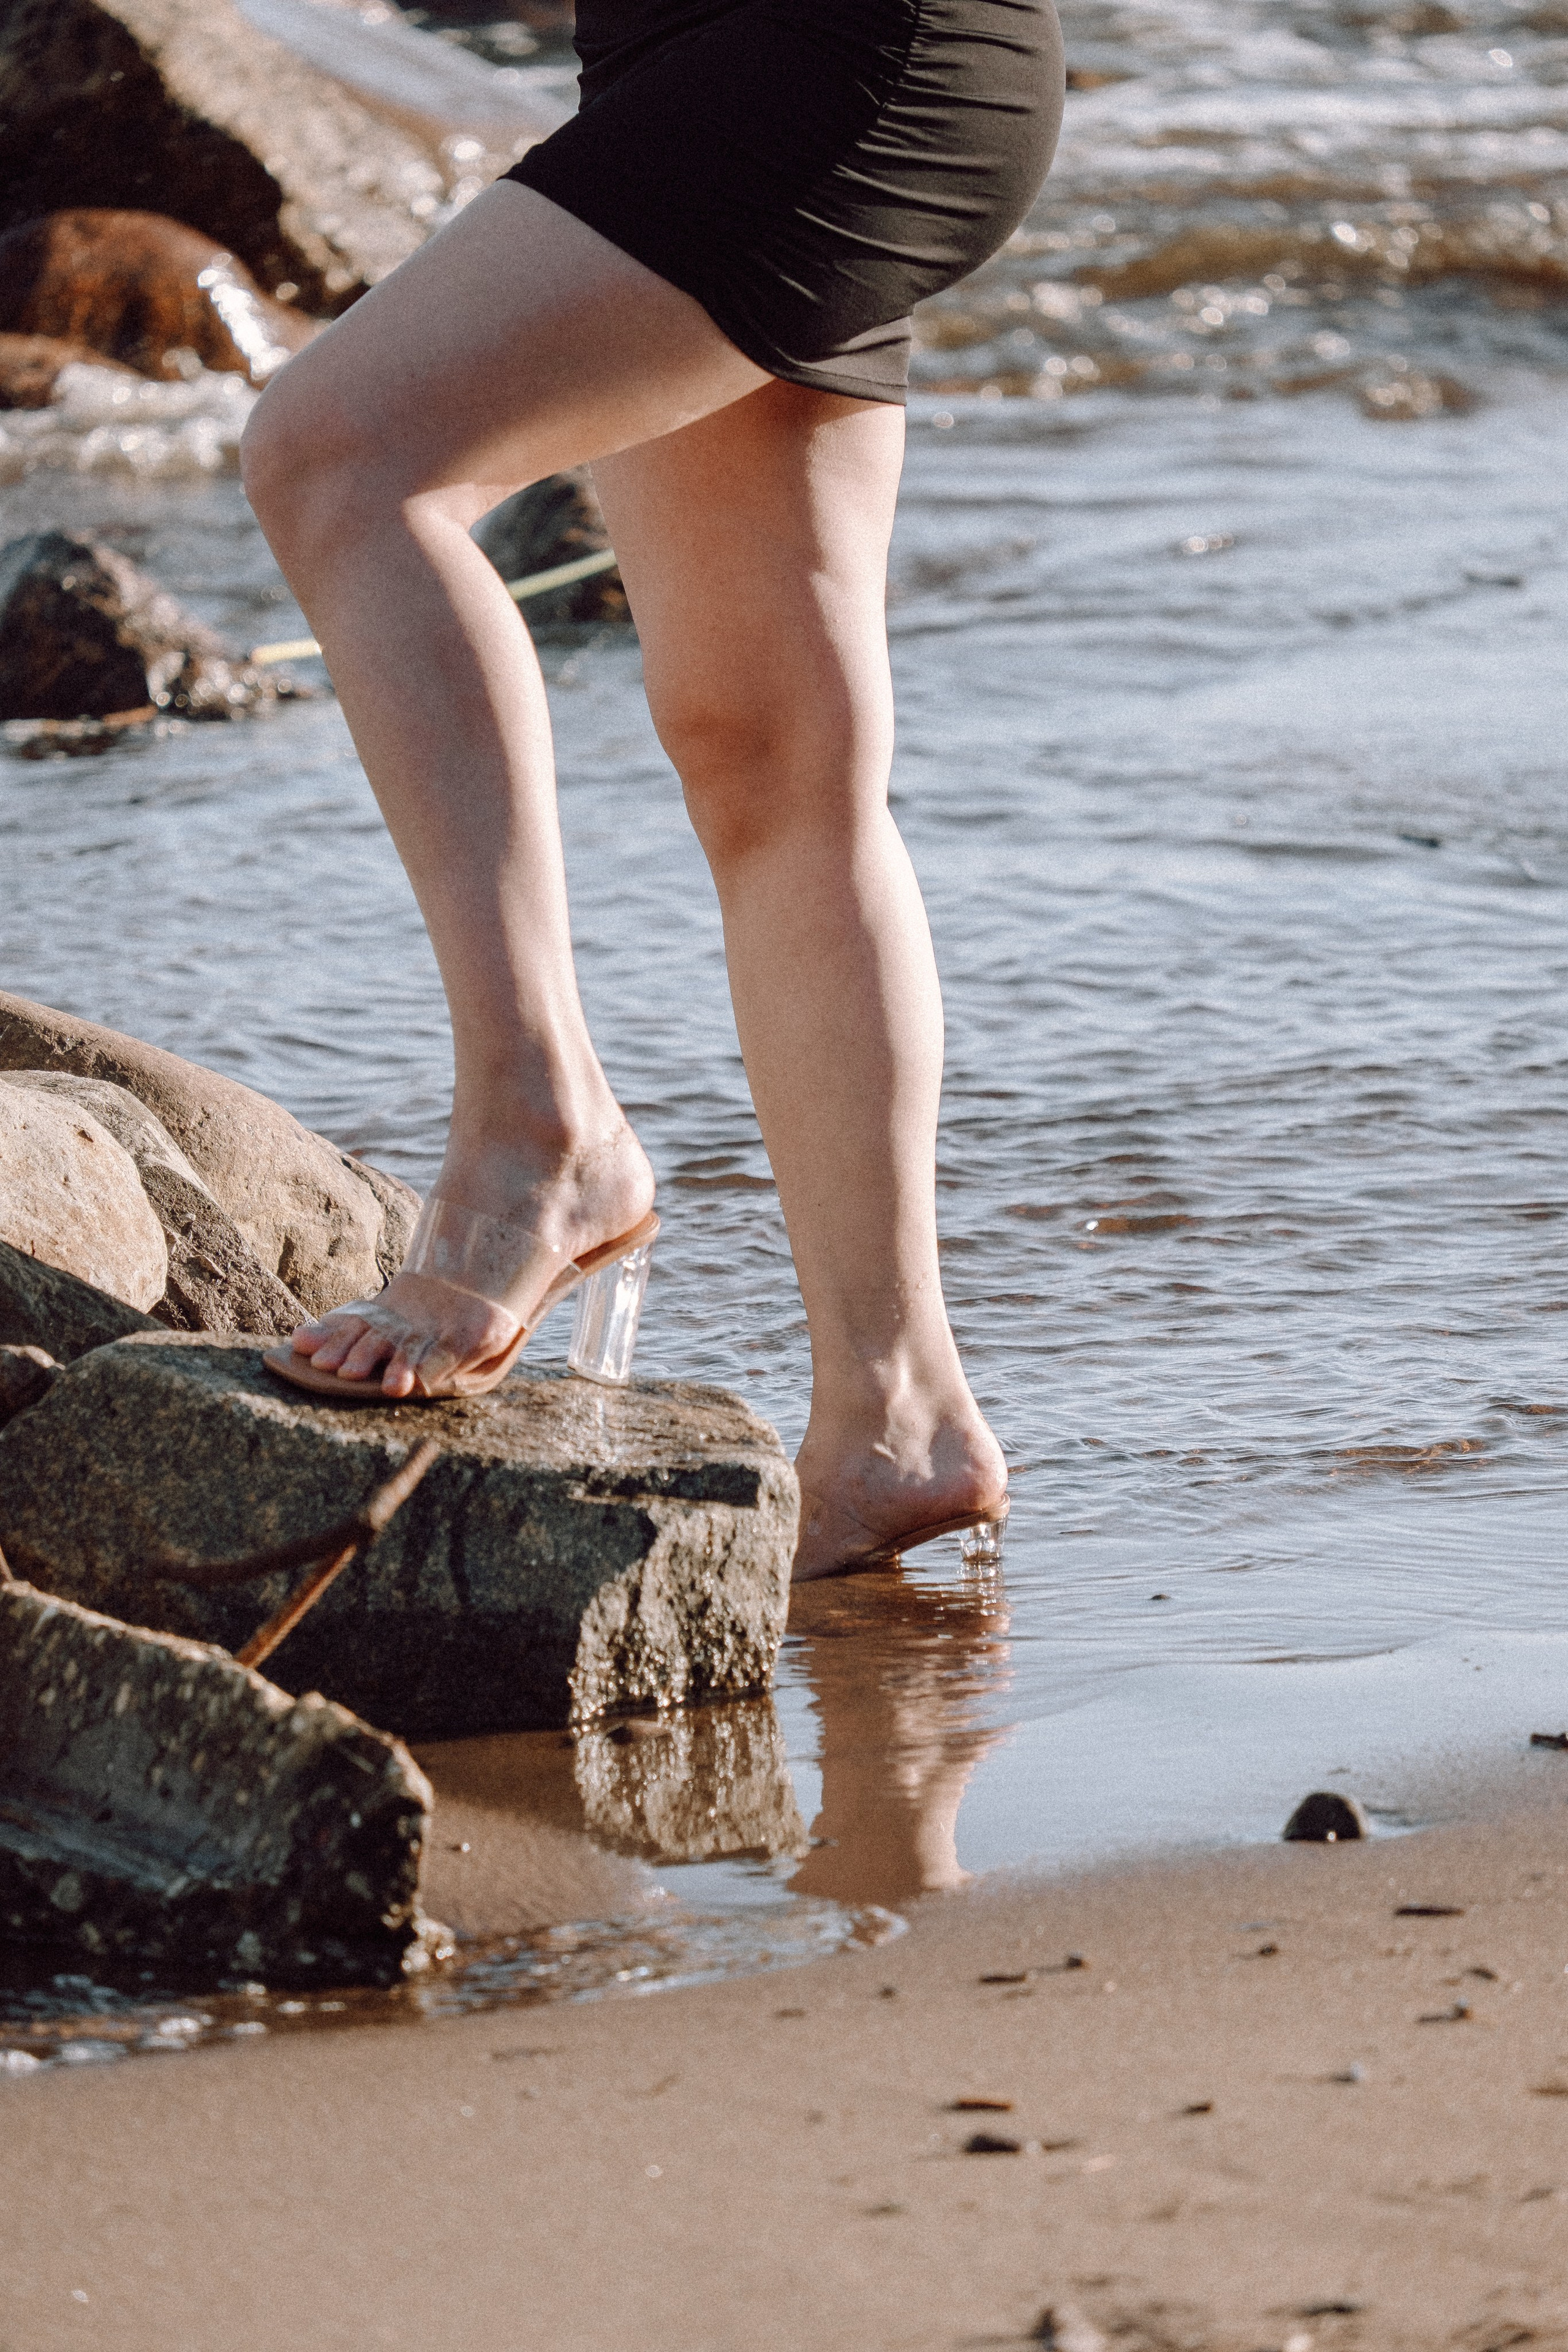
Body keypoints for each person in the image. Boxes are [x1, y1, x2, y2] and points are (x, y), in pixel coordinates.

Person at [241, 0, 1065, 1579]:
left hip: (836, 52)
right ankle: (896, 1417)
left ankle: (536, 1127)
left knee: (339, 456)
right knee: (766, 752)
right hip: (721, 59)